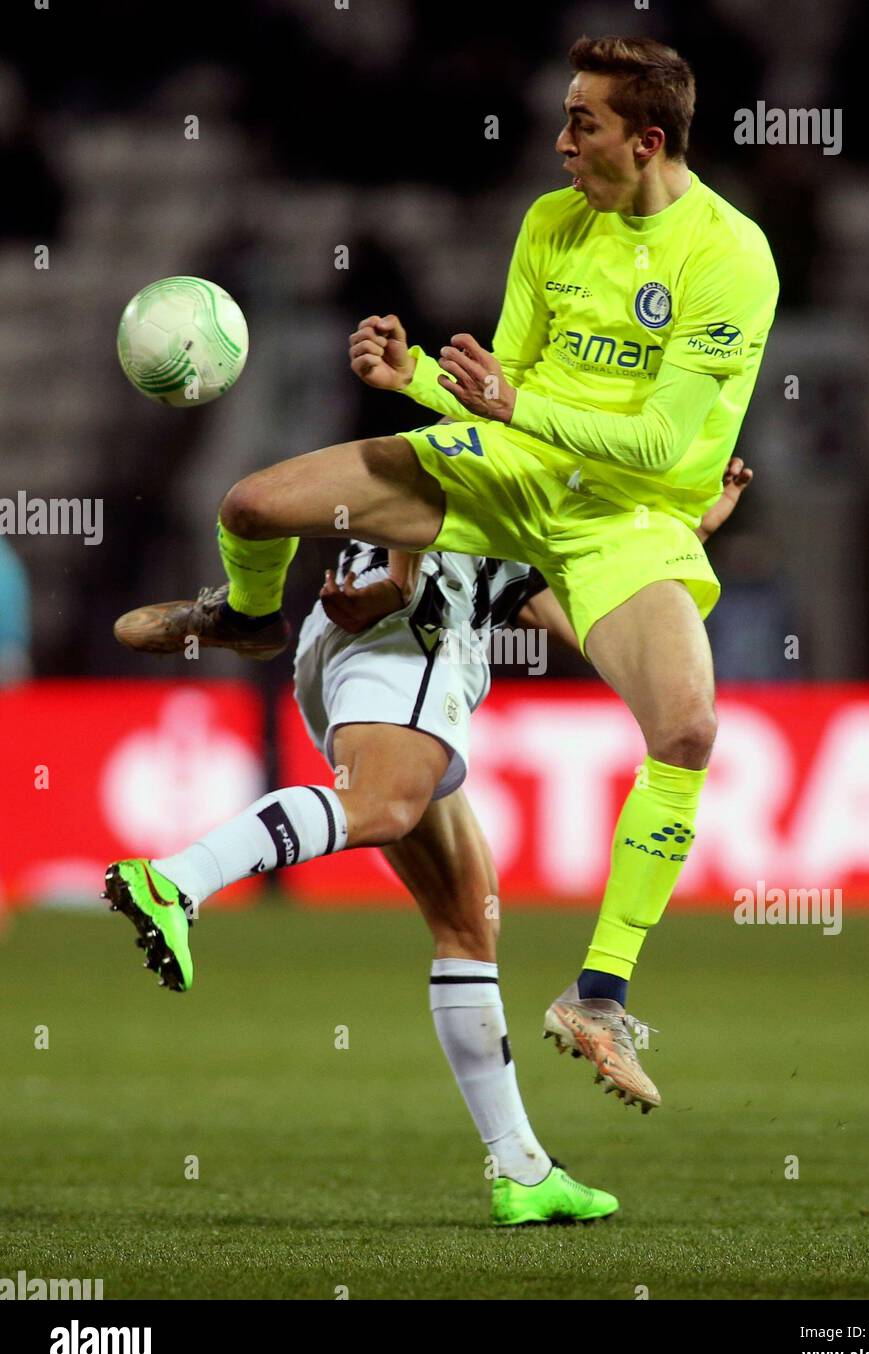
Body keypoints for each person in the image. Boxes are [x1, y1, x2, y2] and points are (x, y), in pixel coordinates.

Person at [114, 34, 778, 1113]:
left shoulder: (730, 255)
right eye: (563, 116)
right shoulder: (551, 223)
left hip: (625, 517)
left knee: (688, 731)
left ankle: (600, 992)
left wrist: (518, 409)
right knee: (253, 504)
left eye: (583, 124)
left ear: (648, 140)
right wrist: (418, 374)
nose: (560, 141)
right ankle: (247, 615)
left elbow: (658, 445)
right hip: (505, 472)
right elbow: (498, 386)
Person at [106, 458, 750, 1226]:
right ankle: (175, 881)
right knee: (381, 805)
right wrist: (402, 582)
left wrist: (684, 538)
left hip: (360, 649)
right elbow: (431, 484)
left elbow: (595, 625)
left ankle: (522, 1170)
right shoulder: (531, 458)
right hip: (411, 635)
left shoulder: (551, 539)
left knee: (466, 921)